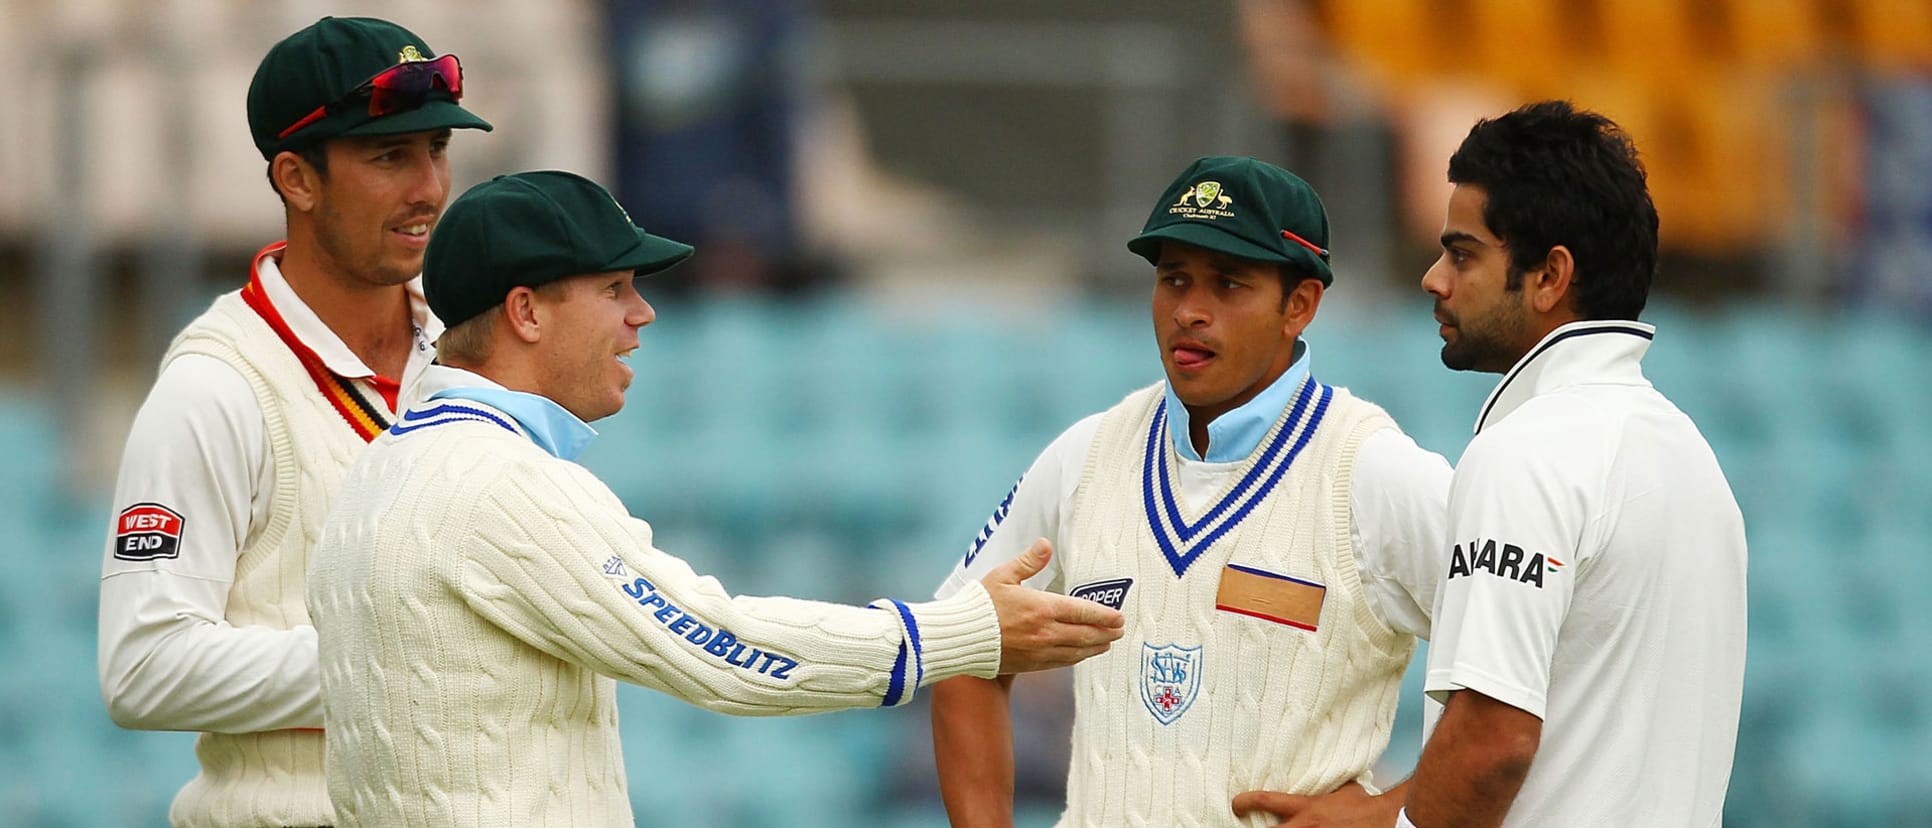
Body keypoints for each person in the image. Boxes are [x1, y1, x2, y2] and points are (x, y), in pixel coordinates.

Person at [303, 170, 1126, 826]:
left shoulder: (381, 470)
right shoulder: (497, 483)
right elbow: (719, 651)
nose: (643, 314)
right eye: (616, 287)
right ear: (525, 311)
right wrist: (964, 631)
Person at [1254, 101, 1749, 828]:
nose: (1433, 279)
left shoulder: (1526, 453)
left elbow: (1496, 743)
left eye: (1462, 253)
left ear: (1550, 276)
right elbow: (1571, 741)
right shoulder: (1691, 459)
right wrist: (1381, 814)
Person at [928, 156, 1453, 827]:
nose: (1189, 311)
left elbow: (1535, 673)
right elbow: (958, 646)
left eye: (1228, 284)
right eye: (1173, 279)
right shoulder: (1084, 456)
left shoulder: (1375, 473)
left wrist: (1393, 812)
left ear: (1300, 305)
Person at [95, 16, 491, 828]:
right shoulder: (215, 388)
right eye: (390, 158)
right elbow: (144, 669)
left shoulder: (470, 358)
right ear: (297, 179)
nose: (429, 188)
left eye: (437, 150)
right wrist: (401, 663)